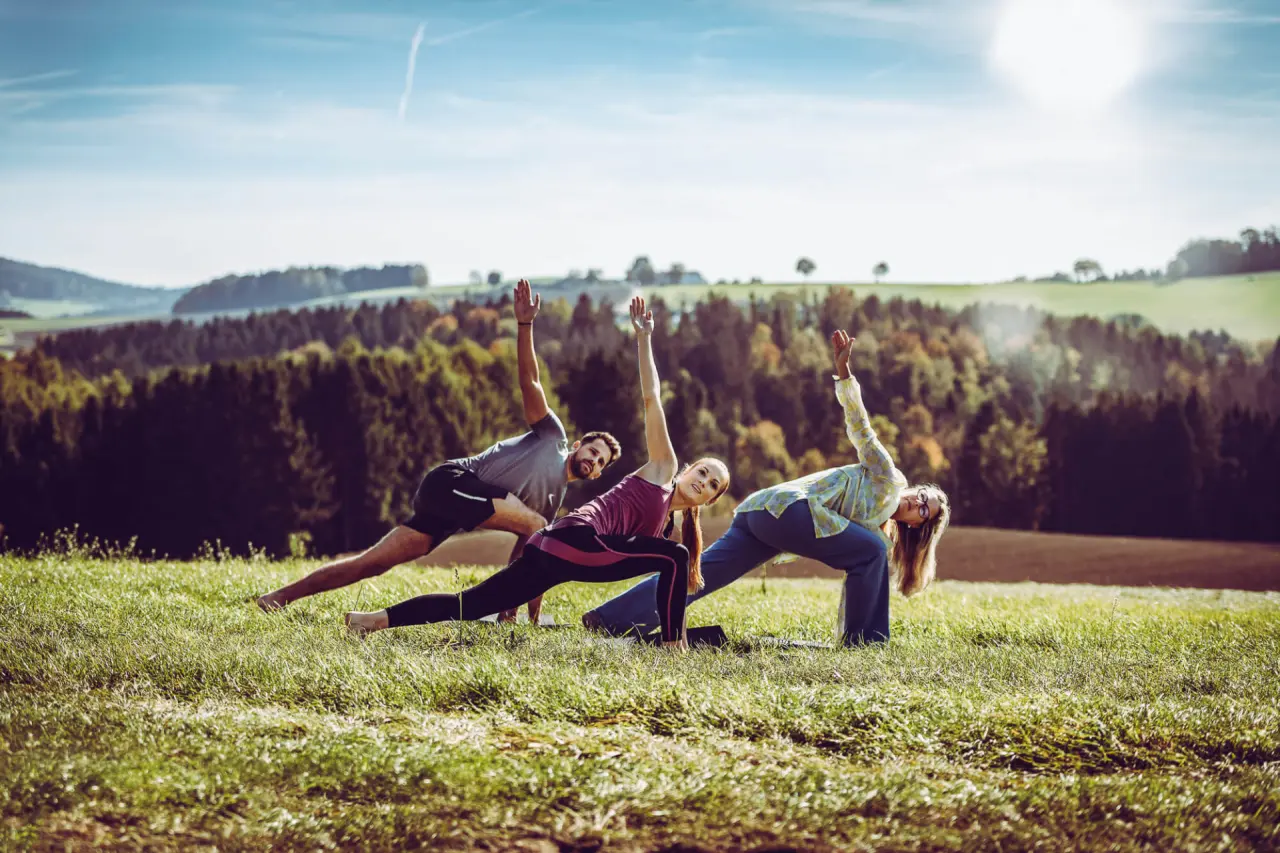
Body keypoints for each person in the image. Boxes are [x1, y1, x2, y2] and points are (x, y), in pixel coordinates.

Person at [344, 296, 731, 649]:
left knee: (472, 604)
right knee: (674, 556)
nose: (703, 482)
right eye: (702, 471)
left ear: (711, 499)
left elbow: (660, 579)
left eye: (712, 484)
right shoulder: (662, 469)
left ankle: (371, 620)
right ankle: (673, 648)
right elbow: (651, 399)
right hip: (577, 539)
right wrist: (644, 339)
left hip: (551, 547)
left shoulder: (665, 527)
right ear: (687, 469)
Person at [257, 279, 621, 621]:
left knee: (372, 563)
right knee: (540, 529)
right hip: (451, 482)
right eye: (592, 451)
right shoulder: (553, 436)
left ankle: (278, 597)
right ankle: (492, 605)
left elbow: (528, 560)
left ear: (598, 474)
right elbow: (531, 382)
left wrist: (526, 615)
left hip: (448, 514)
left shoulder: (549, 504)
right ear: (578, 444)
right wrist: (525, 326)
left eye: (599, 462)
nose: (592, 460)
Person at [583, 329, 951, 646]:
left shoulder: (878, 526)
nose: (917, 503)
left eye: (924, 510)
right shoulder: (888, 478)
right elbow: (862, 430)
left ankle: (609, 618)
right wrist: (844, 373)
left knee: (700, 575)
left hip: (761, 515)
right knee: (872, 551)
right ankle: (865, 644)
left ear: (917, 526)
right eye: (923, 495)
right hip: (788, 511)